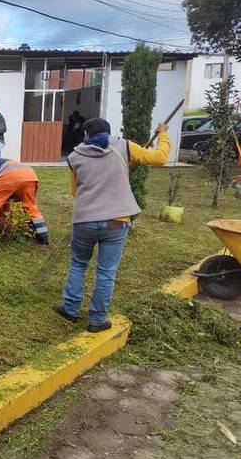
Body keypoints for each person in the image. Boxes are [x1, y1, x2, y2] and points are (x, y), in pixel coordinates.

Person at [53, 118, 171, 333]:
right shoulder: (124, 146)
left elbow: (75, 192)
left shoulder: (74, 157)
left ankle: (70, 309)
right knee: (106, 272)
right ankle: (97, 321)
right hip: (116, 221)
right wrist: (162, 134)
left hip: (85, 220)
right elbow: (160, 158)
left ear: (86, 134)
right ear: (108, 133)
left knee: (79, 263)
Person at [0, 157, 49, 245]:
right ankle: (43, 236)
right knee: (30, 206)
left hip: (11, 176)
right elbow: (3, 195)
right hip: (30, 176)